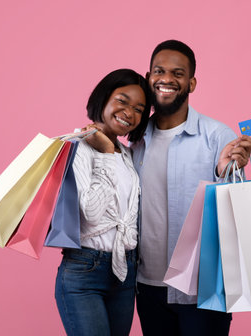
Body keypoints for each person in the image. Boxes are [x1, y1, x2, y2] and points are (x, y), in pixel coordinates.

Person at [131, 40, 251, 335]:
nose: (167, 79)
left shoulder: (217, 135)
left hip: (204, 287)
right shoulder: (135, 139)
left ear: (191, 83)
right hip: (148, 287)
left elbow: (235, 205)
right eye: (159, 71)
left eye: (178, 73)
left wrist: (228, 169)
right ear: (148, 78)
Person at [54, 69, 151, 336]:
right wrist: (106, 153)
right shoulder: (78, 147)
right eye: (122, 100)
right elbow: (92, 214)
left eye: (139, 108)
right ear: (104, 99)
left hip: (125, 273)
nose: (129, 112)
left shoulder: (128, 155)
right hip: (85, 271)